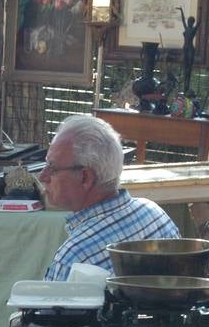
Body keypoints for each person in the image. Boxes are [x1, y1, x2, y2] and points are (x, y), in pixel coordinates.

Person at [41, 114, 179, 281]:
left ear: (85, 177)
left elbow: (47, 306)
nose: (43, 176)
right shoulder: (155, 214)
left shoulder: (73, 257)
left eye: (52, 168)